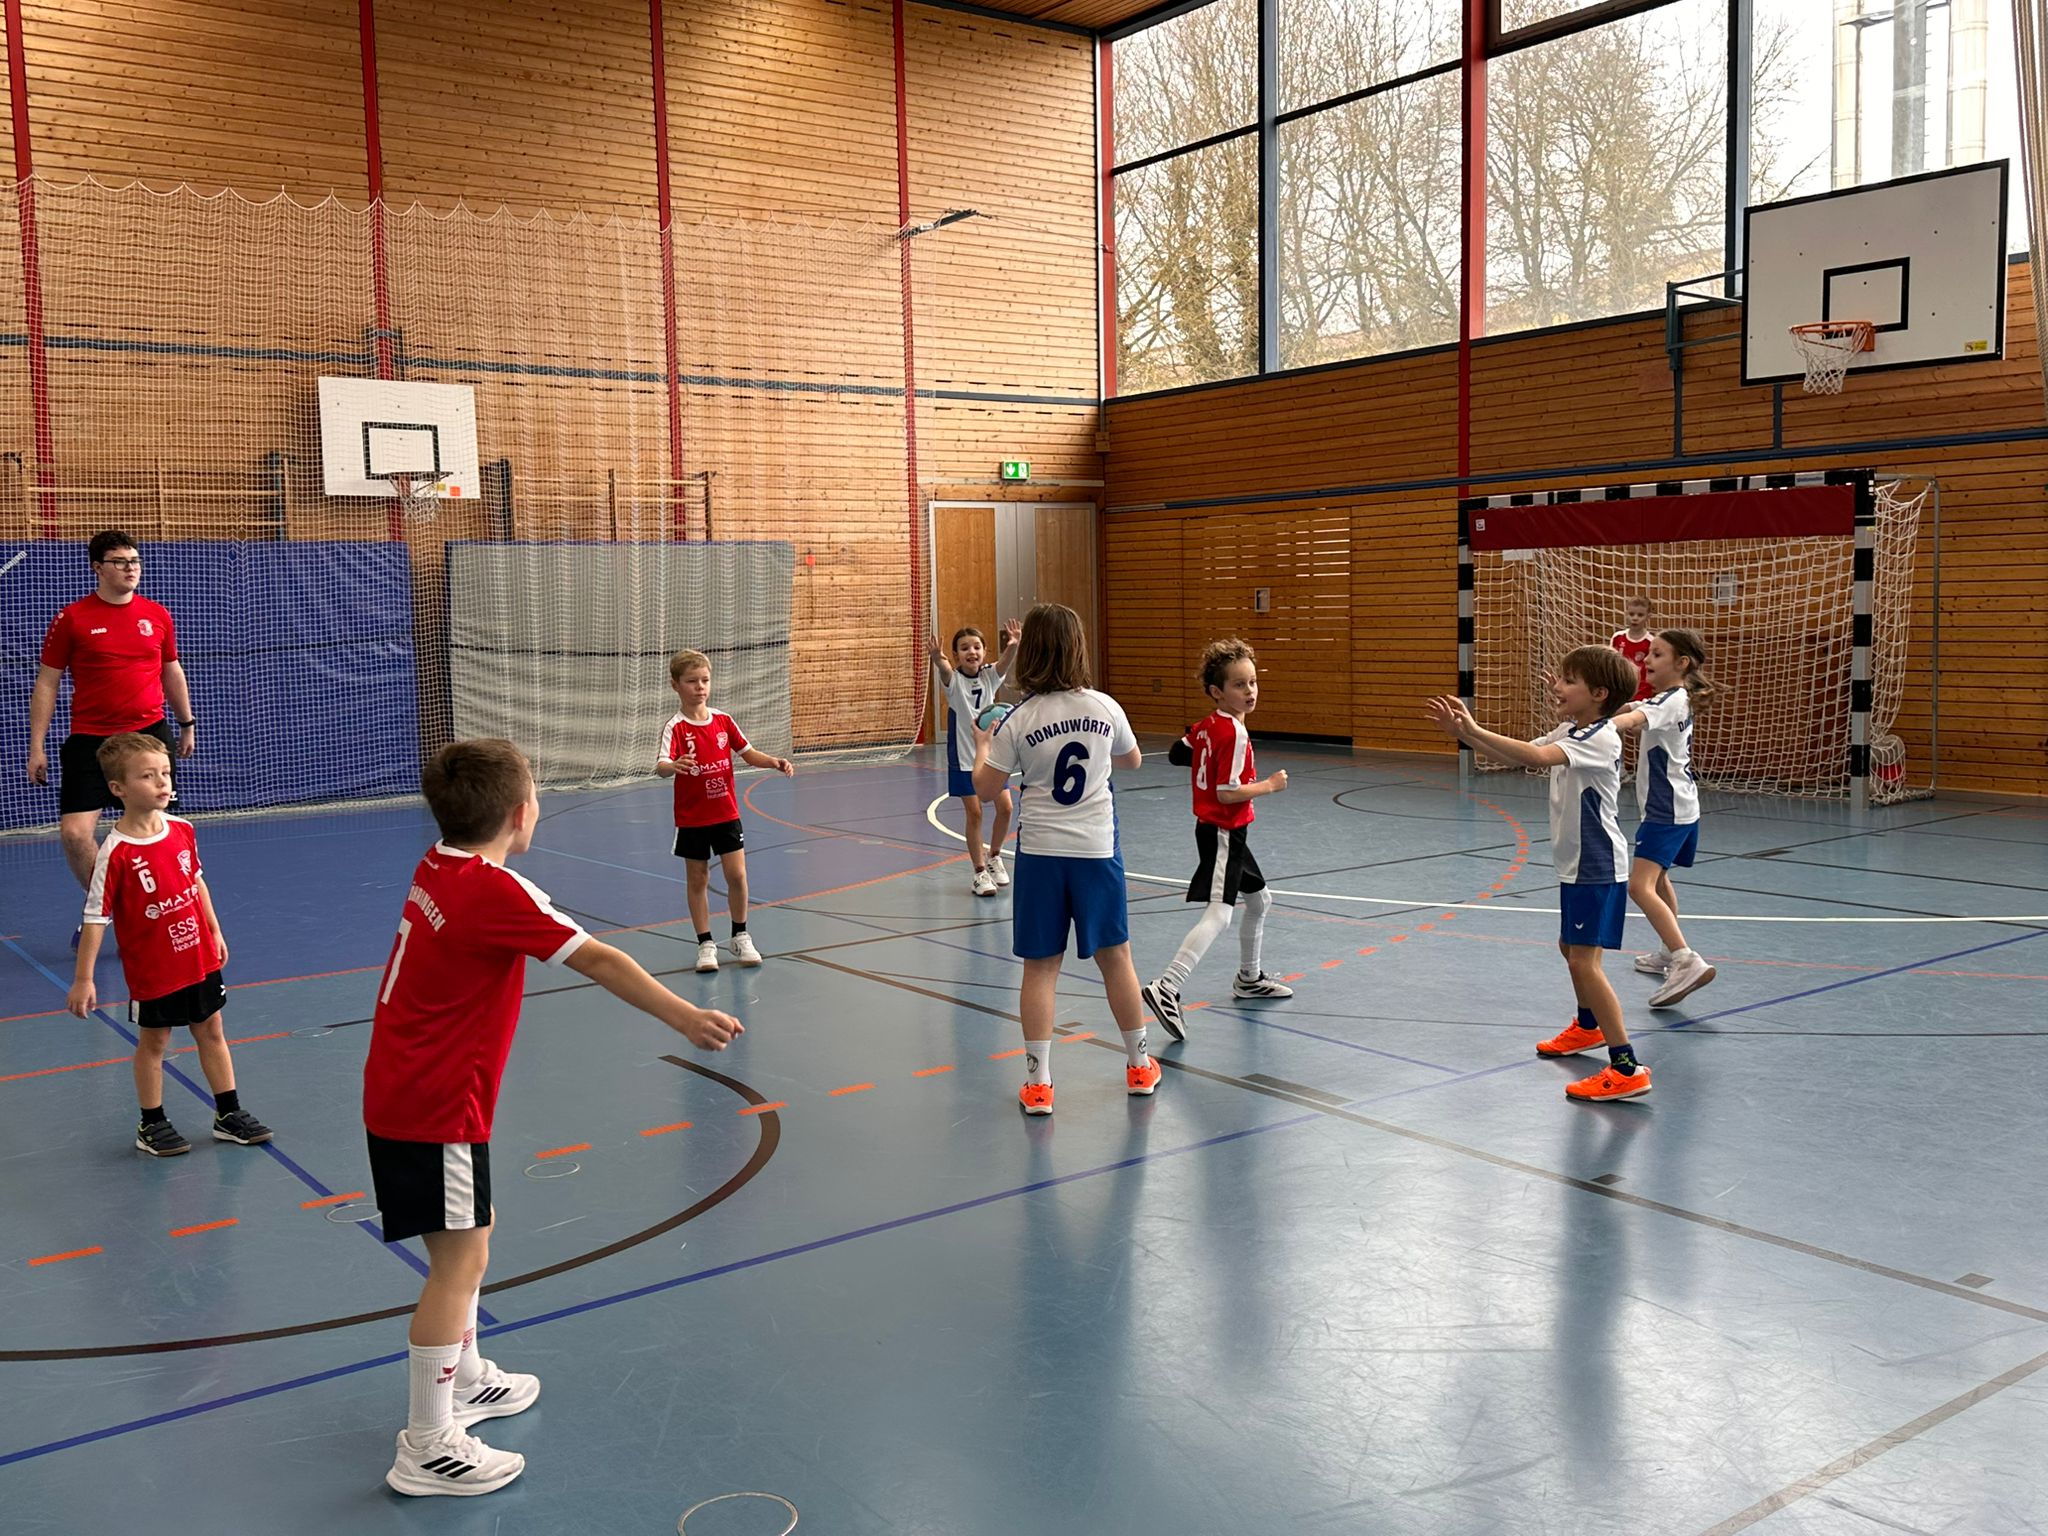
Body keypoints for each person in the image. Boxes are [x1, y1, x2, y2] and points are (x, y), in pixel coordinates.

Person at [365, 737, 742, 1497]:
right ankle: (428, 1443)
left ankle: (465, 1376)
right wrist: (684, 1016)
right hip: (437, 1105)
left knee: (471, 1237)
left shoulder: (438, 864)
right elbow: (599, 958)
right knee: (457, 1264)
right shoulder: (496, 892)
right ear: (519, 813)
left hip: (407, 1090)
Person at [1425, 646, 1651, 1103]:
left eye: (1569, 681)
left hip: (1595, 865)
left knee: (1584, 961)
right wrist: (1464, 734)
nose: (1557, 687)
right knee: (1571, 948)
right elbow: (1520, 755)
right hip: (1578, 863)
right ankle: (1588, 1026)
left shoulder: (1599, 737)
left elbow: (1537, 755)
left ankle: (1626, 1066)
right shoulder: (1574, 730)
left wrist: (1473, 727)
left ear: (1599, 694)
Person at [973, 603, 1157, 1115]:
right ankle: (1139, 1065)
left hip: (1042, 855)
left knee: (1040, 967)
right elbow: (1131, 760)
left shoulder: (1019, 719)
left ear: (1030, 652)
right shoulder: (1105, 707)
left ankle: (1039, 1083)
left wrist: (984, 742)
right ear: (1079, 649)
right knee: (1116, 958)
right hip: (1096, 851)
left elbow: (985, 789)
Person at [65, 732, 271, 1156]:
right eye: (147, 776)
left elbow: (196, 882)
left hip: (198, 956)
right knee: (155, 1043)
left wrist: (214, 930)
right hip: (154, 970)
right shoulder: (115, 853)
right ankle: (152, 1122)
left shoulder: (182, 829)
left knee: (212, 1029)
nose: (162, 782)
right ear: (118, 788)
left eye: (165, 773)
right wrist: (84, 979)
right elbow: (95, 917)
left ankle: (228, 1113)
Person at [27, 530, 198, 933]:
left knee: (157, 833)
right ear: (98, 568)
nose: (130, 568)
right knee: (74, 834)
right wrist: (37, 745)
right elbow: (47, 682)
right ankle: (111, 910)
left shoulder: (157, 614)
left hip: (149, 737)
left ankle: (161, 913)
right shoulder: (72, 619)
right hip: (91, 739)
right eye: (119, 561)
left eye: (134, 561)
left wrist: (186, 723)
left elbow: (171, 670)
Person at [1142, 638, 1294, 1042]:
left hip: (1225, 831)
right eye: (1239, 685)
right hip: (1223, 830)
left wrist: (1205, 751)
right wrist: (1269, 785)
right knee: (1220, 915)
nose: (1250, 691)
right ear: (1217, 691)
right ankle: (1167, 986)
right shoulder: (1234, 734)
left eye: (1253, 682)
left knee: (1259, 900)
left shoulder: (1210, 725)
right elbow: (1228, 793)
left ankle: (1249, 978)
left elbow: (1177, 753)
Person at [654, 649, 793, 973]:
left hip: (726, 814)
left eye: (705, 680)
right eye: (692, 681)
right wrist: (673, 766)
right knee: (698, 878)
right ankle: (705, 944)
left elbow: (748, 752)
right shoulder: (675, 727)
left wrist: (773, 761)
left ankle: (740, 935)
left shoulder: (723, 721)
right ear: (676, 685)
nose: (700, 687)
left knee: (737, 875)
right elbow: (661, 766)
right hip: (692, 819)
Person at [1614, 629, 1718, 1007]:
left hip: (1666, 811)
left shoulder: (1671, 700)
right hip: (1682, 808)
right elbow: (1631, 712)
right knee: (1658, 881)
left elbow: (1628, 720)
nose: (1646, 660)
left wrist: (1592, 726)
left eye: (1657, 654)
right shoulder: (1673, 699)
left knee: (1639, 887)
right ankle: (1667, 950)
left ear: (1681, 663)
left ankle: (1684, 959)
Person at [928, 621, 1018, 896]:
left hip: (991, 755)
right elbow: (944, 670)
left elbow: (1004, 664)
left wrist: (1013, 646)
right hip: (964, 757)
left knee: (1006, 808)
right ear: (956, 655)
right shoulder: (954, 681)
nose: (972, 652)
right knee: (975, 813)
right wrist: (938, 659)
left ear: (985, 651)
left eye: (977, 647)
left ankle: (994, 856)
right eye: (964, 648)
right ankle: (979, 873)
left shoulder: (990, 675)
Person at [1611, 594, 1656, 703]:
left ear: (1648, 616)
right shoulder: (1617, 638)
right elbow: (1610, 665)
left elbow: (1655, 669)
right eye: (1631, 614)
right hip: (1620, 692)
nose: (1635, 618)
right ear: (1626, 614)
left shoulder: (1651, 642)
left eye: (1640, 615)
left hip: (1642, 694)